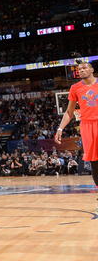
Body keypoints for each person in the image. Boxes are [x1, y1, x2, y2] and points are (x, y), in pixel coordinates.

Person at [55, 60, 98, 210]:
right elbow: (69, 112)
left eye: (85, 67)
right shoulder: (75, 88)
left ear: (92, 69)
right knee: (94, 162)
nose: (81, 70)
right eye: (79, 69)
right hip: (87, 125)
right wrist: (60, 129)